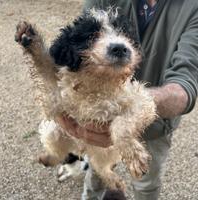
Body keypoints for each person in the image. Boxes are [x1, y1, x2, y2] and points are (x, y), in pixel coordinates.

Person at [56, 0, 198, 199]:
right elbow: (75, 48)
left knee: (145, 183)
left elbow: (185, 84)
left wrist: (132, 108)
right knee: (97, 170)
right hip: (96, 116)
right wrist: (60, 104)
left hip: (155, 125)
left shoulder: (193, 8)